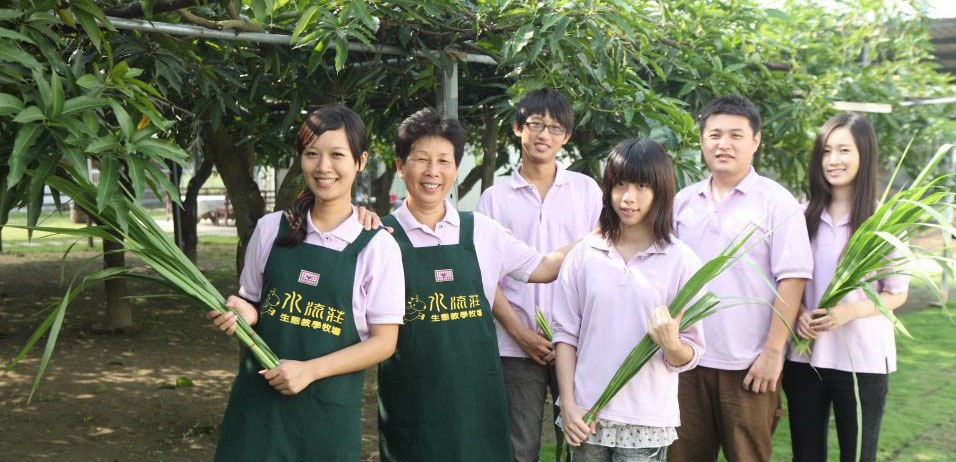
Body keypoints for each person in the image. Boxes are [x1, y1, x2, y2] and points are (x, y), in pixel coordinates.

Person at [207, 105, 405, 462]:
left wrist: (309, 371)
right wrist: (241, 313)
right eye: (312, 154)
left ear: (360, 162)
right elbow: (252, 304)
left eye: (337, 155)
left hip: (327, 414)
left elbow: (384, 342)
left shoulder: (378, 247)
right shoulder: (271, 230)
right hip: (258, 409)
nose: (323, 167)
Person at [377, 107, 576, 462]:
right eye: (421, 160)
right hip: (413, 407)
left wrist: (605, 233)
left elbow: (544, 267)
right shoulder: (380, 237)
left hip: (476, 404)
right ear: (400, 166)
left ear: (455, 169)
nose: (432, 172)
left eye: (444, 161)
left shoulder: (482, 231)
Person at [668, 96, 814, 462]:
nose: (724, 144)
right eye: (715, 134)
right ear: (702, 140)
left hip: (749, 366)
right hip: (686, 362)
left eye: (736, 135)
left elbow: (793, 280)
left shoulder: (776, 203)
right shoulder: (683, 203)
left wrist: (772, 353)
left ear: (756, 140)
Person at [553, 139, 705, 462]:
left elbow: (690, 353)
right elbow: (565, 334)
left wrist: (671, 343)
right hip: (587, 416)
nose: (628, 197)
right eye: (619, 184)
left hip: (646, 419)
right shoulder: (584, 254)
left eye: (641, 185)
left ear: (660, 190)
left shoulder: (681, 261)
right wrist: (567, 403)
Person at [476, 87, 602, 462]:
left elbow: (603, 259)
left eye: (555, 127)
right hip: (515, 346)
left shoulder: (587, 191)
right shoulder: (494, 199)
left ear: (566, 137)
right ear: (518, 128)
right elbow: (488, 278)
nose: (543, 134)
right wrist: (521, 334)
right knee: (519, 446)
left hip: (579, 342)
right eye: (535, 124)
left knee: (585, 440)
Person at [784, 113, 909, 462]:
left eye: (844, 150)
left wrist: (848, 311)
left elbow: (897, 292)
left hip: (863, 361)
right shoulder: (799, 216)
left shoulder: (883, 223)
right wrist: (800, 313)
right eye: (826, 151)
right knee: (806, 456)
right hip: (804, 357)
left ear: (863, 155)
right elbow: (786, 282)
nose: (833, 160)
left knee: (858, 456)